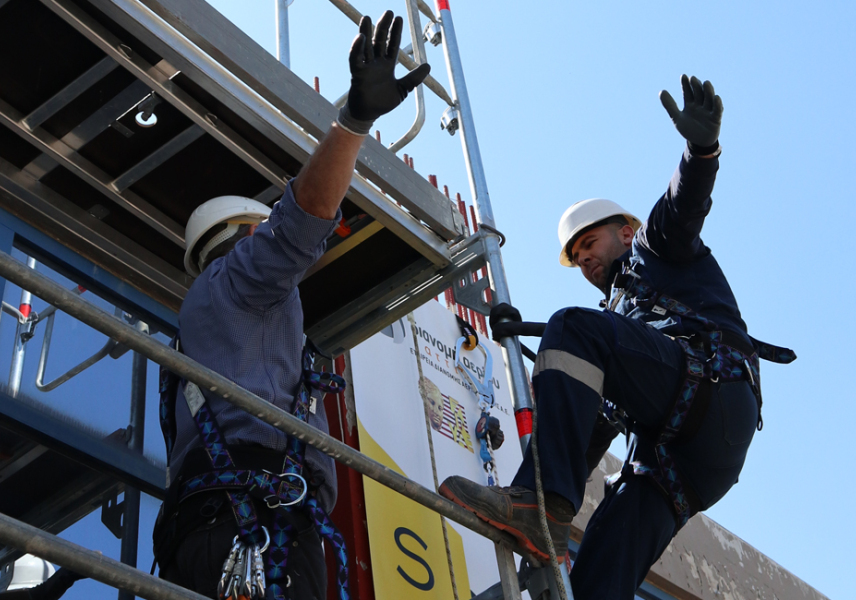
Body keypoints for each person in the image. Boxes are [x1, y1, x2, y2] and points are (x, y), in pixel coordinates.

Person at [439, 75, 794, 599]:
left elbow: (683, 204)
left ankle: (541, 510)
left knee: (573, 327)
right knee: (598, 574)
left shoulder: (654, 248)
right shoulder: (615, 332)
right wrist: (535, 494)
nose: (583, 257)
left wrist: (701, 151)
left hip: (712, 396)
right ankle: (540, 512)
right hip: (682, 463)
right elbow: (587, 433)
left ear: (624, 232)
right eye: (576, 255)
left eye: (589, 242)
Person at [152, 12, 429, 600]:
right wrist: (354, 121)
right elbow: (301, 223)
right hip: (251, 522)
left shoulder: (208, 326)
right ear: (246, 237)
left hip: (218, 523)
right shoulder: (242, 279)